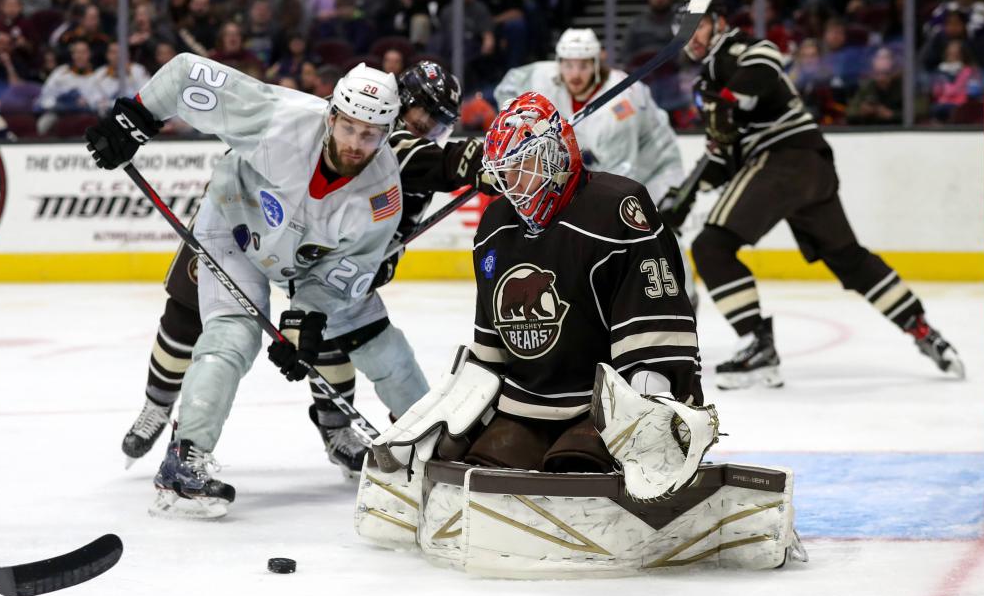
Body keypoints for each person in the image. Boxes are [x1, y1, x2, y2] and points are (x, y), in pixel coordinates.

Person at [85, 58, 431, 518]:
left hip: (313, 260)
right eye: (348, 127)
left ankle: (437, 447)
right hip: (232, 225)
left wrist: (304, 319)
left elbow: (344, 275)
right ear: (332, 115)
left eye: (370, 134)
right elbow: (189, 73)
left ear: (388, 132)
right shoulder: (279, 119)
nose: (355, 143)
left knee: (380, 343)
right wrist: (137, 116)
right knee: (232, 336)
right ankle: (184, 459)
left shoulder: (383, 195)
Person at [671, 0, 964, 390]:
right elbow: (722, 155)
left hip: (783, 160)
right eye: (686, 27)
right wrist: (685, 195)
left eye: (699, 24)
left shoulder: (735, 49)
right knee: (848, 258)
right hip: (810, 165)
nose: (692, 34)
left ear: (719, 22)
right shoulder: (709, 80)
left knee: (711, 247)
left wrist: (725, 103)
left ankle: (758, 347)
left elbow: (766, 60)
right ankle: (923, 329)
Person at [460, 91, 702, 472]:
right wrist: (458, 413)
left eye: (524, 166)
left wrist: (652, 410)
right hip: (528, 403)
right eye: (505, 170)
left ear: (556, 156)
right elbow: (490, 344)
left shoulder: (617, 209)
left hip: (607, 402)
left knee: (577, 464)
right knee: (483, 464)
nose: (513, 184)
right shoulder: (494, 226)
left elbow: (655, 322)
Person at [493, 27, 693, 302]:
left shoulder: (622, 104)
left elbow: (619, 179)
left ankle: (682, 296)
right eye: (568, 65)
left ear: (597, 63)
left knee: (651, 226)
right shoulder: (542, 75)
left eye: (584, 65)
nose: (575, 74)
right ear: (559, 62)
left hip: (654, 167)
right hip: (602, 160)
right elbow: (507, 88)